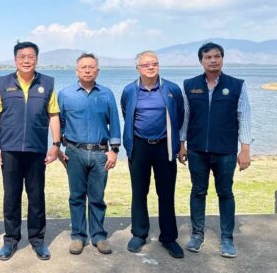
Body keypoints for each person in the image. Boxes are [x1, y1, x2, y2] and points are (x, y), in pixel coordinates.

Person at [0, 41, 61, 261]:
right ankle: (10, 240)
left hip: (36, 149)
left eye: (31, 57)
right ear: (15, 60)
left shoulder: (47, 83)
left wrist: (56, 144)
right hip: (10, 150)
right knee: (11, 197)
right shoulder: (3, 83)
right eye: (22, 57)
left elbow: (53, 115)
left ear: (36, 59)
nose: (26, 60)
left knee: (36, 196)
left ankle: (37, 240)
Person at [179, 42, 251, 258]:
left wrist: (245, 149)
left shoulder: (237, 85)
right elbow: (185, 116)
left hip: (225, 151)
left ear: (222, 59)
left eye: (217, 56)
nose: (213, 60)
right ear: (201, 61)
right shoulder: (190, 85)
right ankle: (197, 234)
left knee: (225, 193)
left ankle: (227, 239)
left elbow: (244, 117)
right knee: (198, 192)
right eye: (208, 57)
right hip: (197, 150)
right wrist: (181, 144)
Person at [120, 50, 185, 258]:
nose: (150, 67)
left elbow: (179, 115)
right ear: (137, 68)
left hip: (165, 147)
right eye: (146, 64)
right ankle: (139, 234)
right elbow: (127, 113)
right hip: (139, 147)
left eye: (154, 63)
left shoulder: (171, 89)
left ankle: (169, 238)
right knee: (139, 192)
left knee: (166, 193)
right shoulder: (129, 90)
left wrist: (180, 143)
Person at [57, 53, 121, 255]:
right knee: (76, 196)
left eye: (91, 67)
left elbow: (115, 123)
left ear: (97, 71)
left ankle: (99, 236)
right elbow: (59, 122)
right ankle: (78, 236)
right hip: (74, 153)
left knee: (97, 197)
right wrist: (58, 147)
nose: (87, 70)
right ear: (77, 71)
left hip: (100, 153)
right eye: (83, 67)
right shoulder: (65, 94)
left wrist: (114, 150)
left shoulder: (106, 94)